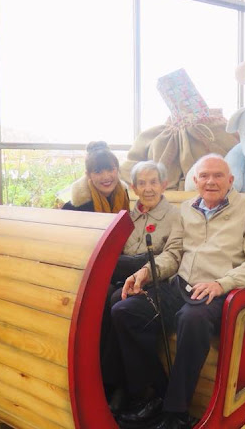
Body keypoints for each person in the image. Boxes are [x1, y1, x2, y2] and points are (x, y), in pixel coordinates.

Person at [111, 154, 245, 429]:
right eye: (204, 176)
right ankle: (156, 394)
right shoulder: (187, 208)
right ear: (195, 181)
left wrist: (222, 283)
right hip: (180, 285)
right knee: (124, 311)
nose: (211, 181)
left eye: (218, 175)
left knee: (191, 319)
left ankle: (175, 412)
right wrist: (146, 273)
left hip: (217, 291)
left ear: (231, 180)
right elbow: (173, 253)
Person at [103, 160, 180, 413]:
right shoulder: (128, 217)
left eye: (153, 182)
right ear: (134, 188)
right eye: (142, 183)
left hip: (157, 283)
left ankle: (122, 386)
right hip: (125, 278)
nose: (148, 188)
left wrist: (143, 271)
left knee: (118, 301)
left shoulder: (175, 216)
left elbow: (172, 256)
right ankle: (110, 380)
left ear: (164, 185)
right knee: (102, 299)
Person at [62, 141, 129, 213]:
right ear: (88, 175)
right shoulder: (75, 207)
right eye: (98, 171)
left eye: (110, 169)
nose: (106, 177)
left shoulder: (123, 192)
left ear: (117, 169)